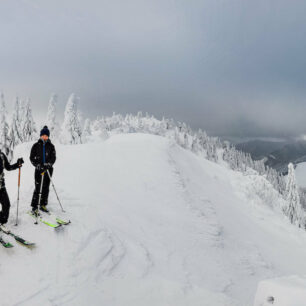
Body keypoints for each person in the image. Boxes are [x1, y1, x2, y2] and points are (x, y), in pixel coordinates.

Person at [30, 126, 56, 215]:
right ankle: (34, 206)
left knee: (46, 187)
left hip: (48, 170)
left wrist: (49, 164)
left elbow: (53, 157)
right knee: (38, 187)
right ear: (41, 136)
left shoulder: (51, 146)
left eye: (46, 136)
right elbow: (31, 157)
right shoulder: (36, 145)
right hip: (39, 169)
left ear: (48, 136)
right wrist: (37, 165)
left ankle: (43, 204)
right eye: (43, 135)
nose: (45, 137)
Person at [0, 152, 24, 225]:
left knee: (6, 205)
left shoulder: (1, 155)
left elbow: (8, 167)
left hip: (1, 185)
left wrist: (17, 164)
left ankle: (1, 222)